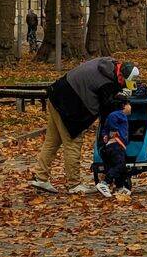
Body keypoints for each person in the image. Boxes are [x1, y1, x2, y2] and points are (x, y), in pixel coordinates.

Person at [29, 59, 139, 194]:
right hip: (68, 105)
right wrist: (122, 107)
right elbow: (106, 107)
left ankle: (40, 177)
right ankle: (74, 184)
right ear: (120, 75)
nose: (123, 85)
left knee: (52, 141)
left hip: (56, 94)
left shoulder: (109, 64)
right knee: (73, 142)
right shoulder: (106, 83)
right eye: (123, 82)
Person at [96, 96, 132, 198]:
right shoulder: (116, 114)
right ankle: (105, 182)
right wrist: (114, 129)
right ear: (123, 105)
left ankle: (119, 186)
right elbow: (111, 122)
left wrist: (105, 134)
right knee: (120, 165)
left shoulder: (118, 115)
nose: (130, 107)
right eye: (129, 104)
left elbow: (104, 129)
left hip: (116, 146)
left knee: (120, 167)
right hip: (116, 145)